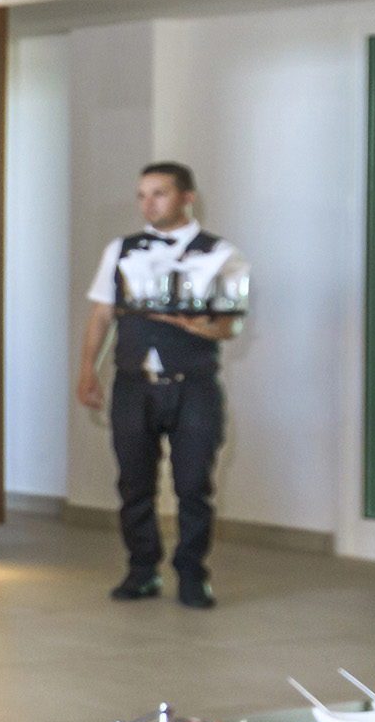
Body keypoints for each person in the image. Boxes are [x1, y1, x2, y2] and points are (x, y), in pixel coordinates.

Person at [75, 163, 248, 608]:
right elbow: (101, 313)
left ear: (187, 197)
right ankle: (142, 571)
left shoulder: (222, 253)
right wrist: (87, 369)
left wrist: (199, 326)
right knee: (134, 483)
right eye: (142, 195)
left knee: (193, 485)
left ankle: (192, 575)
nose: (148, 204)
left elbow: (230, 326)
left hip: (194, 384)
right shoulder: (120, 249)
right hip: (133, 383)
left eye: (159, 194)